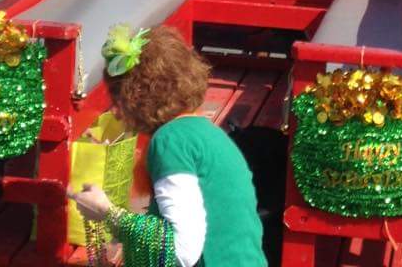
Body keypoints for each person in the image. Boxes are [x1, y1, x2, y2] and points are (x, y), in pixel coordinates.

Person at [71, 24, 266, 267]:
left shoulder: (170, 141)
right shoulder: (205, 133)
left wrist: (107, 213)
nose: (116, 113)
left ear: (139, 97)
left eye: (118, 99)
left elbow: (182, 251)